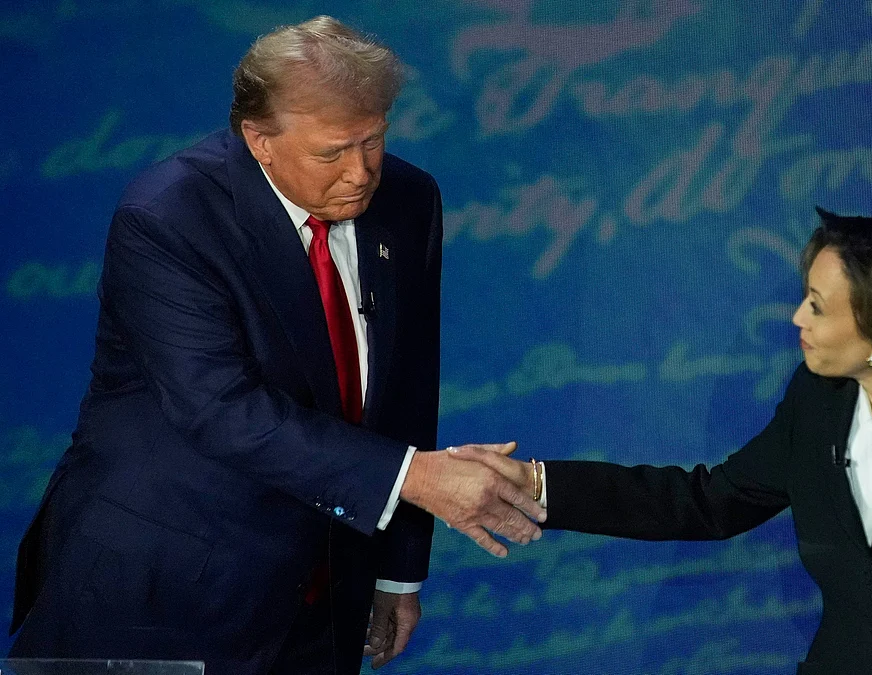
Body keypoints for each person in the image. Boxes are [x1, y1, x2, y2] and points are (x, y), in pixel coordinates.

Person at [8, 16, 545, 675]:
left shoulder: (409, 198)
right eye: (332, 152)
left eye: (372, 141)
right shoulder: (169, 216)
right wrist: (417, 476)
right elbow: (221, 408)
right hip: (163, 590)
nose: (361, 172)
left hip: (324, 592)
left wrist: (395, 573)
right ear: (259, 139)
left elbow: (405, 385)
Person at [452, 209, 872, 674]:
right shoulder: (818, 404)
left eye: (818, 306)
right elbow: (707, 502)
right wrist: (536, 483)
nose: (797, 318)